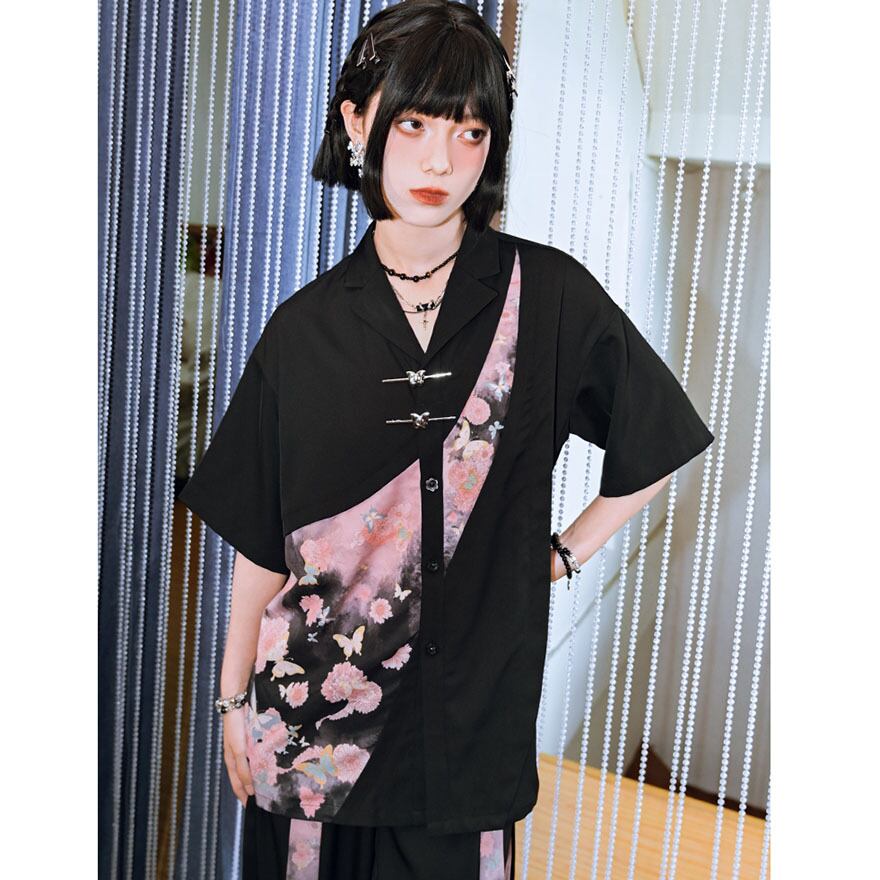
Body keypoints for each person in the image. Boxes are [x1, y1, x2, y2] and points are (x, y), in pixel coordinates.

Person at [178, 2, 715, 878]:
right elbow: (261, 545)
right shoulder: (303, 331)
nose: (440, 160)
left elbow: (657, 440)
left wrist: (562, 554)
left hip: (469, 748)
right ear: (359, 123)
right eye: (415, 124)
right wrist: (233, 698)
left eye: (469, 133)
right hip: (310, 744)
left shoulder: (548, 299)